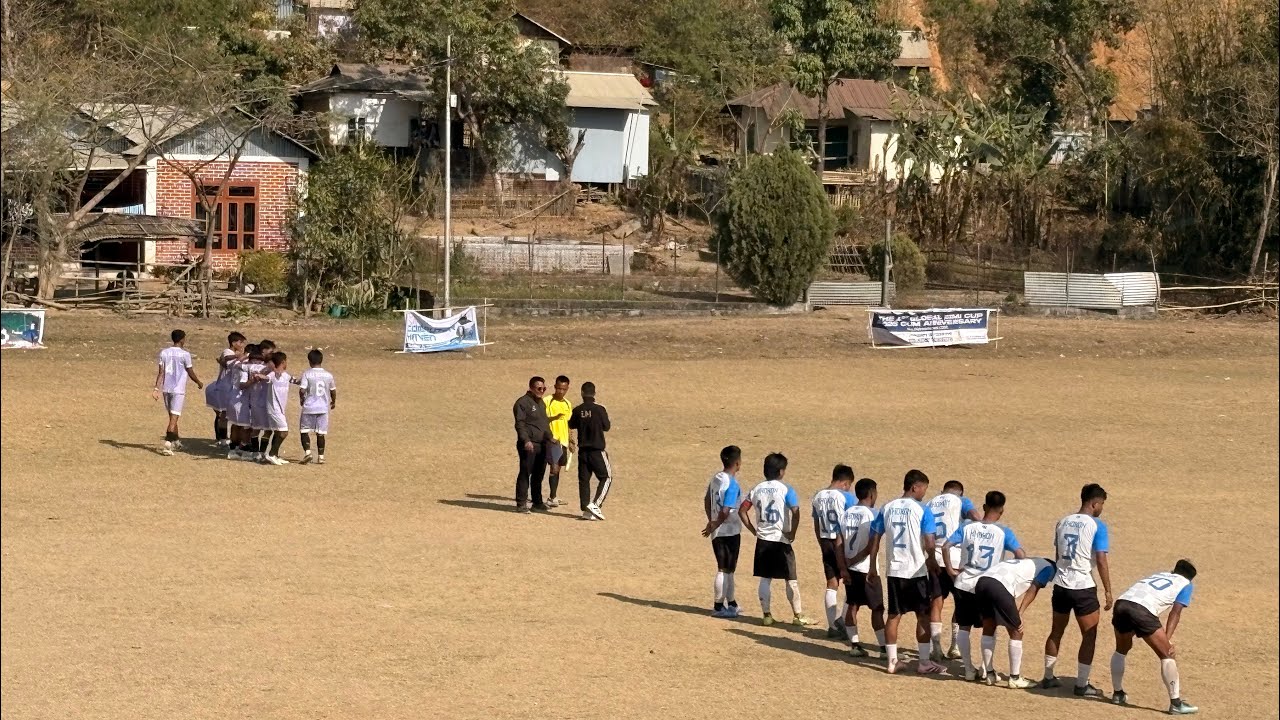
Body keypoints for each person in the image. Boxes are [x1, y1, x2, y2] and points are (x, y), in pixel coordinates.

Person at [943, 490, 1027, 680]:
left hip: (964, 582)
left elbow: (946, 546)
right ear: (1002, 510)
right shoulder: (1004, 532)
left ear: (984, 507)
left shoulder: (967, 527)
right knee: (990, 626)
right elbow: (1021, 555)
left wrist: (950, 569)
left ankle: (968, 669)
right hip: (987, 585)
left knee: (964, 626)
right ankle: (985, 667)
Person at [1042, 483, 1113, 697]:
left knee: (1056, 631)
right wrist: (1108, 590)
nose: (1101, 508)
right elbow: (1100, 559)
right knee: (1089, 636)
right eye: (1101, 504)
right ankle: (1082, 684)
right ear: (1094, 503)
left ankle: (1048, 676)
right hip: (1083, 587)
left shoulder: (1062, 522)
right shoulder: (1097, 525)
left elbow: (1058, 554)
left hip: (1061, 585)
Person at [872, 469, 943, 674]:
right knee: (922, 615)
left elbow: (875, 538)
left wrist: (871, 566)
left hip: (894, 570)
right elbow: (930, 541)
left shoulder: (887, 507)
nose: (924, 494)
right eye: (923, 489)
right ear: (915, 487)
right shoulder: (922, 510)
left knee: (894, 616)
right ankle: (923, 662)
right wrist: (931, 559)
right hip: (915, 571)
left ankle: (892, 661)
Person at [1109, 560, 1199, 715]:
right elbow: (1175, 612)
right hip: (1142, 609)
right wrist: (1167, 639)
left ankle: (1118, 694)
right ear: (1191, 578)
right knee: (1167, 655)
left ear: (1174, 570)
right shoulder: (1186, 584)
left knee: (1121, 649)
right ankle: (1176, 703)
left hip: (1122, 603)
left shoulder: (1161, 574)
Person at [738, 453, 812, 627]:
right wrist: (792, 532)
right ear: (781, 471)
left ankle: (767, 615)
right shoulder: (786, 489)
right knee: (791, 579)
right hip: (781, 540)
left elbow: (742, 510)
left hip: (763, 539)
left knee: (765, 578)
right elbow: (795, 511)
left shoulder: (756, 489)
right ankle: (798, 615)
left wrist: (753, 530)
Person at [973, 557, 1057, 688]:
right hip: (999, 586)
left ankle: (989, 674)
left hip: (982, 582)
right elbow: (1034, 588)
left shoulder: (1028, 562)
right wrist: (1020, 612)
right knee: (1017, 631)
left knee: (989, 627)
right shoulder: (1049, 568)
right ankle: (1015, 678)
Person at [927, 480, 982, 660]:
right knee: (961, 603)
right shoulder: (961, 500)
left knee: (936, 602)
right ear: (960, 492)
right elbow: (976, 516)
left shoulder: (930, 502)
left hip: (935, 557)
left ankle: (935, 648)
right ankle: (955, 646)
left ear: (942, 490)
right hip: (955, 558)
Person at [842, 477, 887, 657]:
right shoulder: (873, 515)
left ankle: (854, 645)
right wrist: (856, 560)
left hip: (850, 570)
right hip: (867, 569)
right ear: (871, 494)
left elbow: (838, 542)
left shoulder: (846, 513)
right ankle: (884, 649)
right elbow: (872, 546)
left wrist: (844, 565)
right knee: (877, 609)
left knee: (852, 605)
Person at [812, 464, 857, 638]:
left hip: (825, 541)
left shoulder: (818, 496)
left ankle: (832, 626)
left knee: (831, 584)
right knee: (850, 582)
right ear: (846, 482)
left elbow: (816, 523)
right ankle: (843, 621)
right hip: (842, 543)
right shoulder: (847, 497)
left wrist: (821, 542)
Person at [701, 445, 743, 618]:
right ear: (738, 463)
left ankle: (731, 603)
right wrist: (717, 522)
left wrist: (711, 521)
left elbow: (707, 499)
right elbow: (726, 510)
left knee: (729, 569)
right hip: (729, 531)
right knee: (724, 569)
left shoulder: (716, 478)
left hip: (718, 531)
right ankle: (718, 606)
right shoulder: (732, 484)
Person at [152, 329, 203, 456]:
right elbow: (190, 371)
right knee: (173, 419)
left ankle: (176, 441)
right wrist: (198, 382)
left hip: (166, 389)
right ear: (182, 339)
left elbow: (161, 372)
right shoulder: (185, 354)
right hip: (178, 390)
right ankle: (167, 445)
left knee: (172, 416)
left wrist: (156, 388)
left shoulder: (164, 353)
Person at [568, 381, 611, 521]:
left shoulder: (577, 410)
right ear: (594, 393)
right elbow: (606, 427)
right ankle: (595, 505)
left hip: (583, 452)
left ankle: (586, 510)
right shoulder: (600, 409)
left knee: (584, 480)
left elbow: (571, 424)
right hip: (597, 451)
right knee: (606, 477)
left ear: (582, 393)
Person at [513, 376, 551, 514]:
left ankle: (537, 502)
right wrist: (526, 440)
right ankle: (521, 503)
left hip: (542, 445)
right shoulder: (522, 403)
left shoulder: (541, 403)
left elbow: (544, 423)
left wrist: (550, 438)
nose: (542, 391)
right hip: (529, 445)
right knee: (525, 472)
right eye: (539, 388)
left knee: (539, 474)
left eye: (544, 388)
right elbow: (520, 424)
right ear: (531, 387)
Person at [206, 331, 246, 448]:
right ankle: (222, 438)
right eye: (240, 342)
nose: (242, 344)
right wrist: (238, 356)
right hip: (224, 388)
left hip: (229, 387)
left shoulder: (238, 355)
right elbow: (227, 358)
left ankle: (222, 437)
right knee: (223, 414)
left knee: (224, 414)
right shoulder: (227, 352)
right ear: (233, 343)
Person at [298, 349, 336, 465]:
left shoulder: (307, 374)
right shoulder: (328, 375)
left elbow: (302, 389)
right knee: (321, 433)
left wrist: (302, 398)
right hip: (323, 408)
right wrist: (333, 401)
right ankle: (321, 457)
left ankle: (308, 453)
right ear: (321, 360)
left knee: (304, 431)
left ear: (309, 361)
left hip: (309, 407)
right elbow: (333, 390)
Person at [543, 375, 574, 508]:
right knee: (554, 468)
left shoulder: (568, 403)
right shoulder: (547, 401)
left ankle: (553, 496)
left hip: (563, 441)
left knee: (558, 469)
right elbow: (542, 420)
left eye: (564, 389)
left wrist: (571, 440)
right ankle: (551, 498)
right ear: (555, 387)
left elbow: (569, 423)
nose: (561, 391)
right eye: (559, 388)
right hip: (552, 440)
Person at [228, 343, 258, 461]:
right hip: (241, 399)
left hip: (233, 397)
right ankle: (241, 449)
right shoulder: (245, 366)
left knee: (236, 425)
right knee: (246, 427)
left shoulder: (236, 363)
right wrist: (253, 381)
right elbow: (243, 385)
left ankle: (233, 448)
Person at [260, 351, 292, 465]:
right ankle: (272, 454)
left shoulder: (286, 375)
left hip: (280, 409)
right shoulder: (273, 374)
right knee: (284, 432)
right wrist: (260, 376)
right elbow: (266, 378)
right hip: (274, 408)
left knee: (279, 432)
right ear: (283, 362)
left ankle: (276, 455)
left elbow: (293, 380)